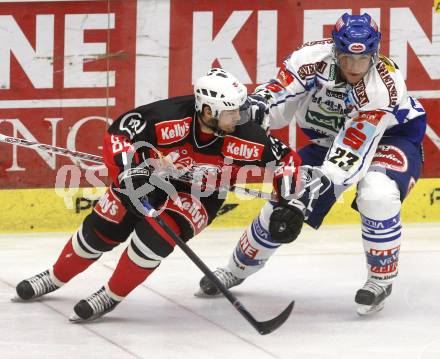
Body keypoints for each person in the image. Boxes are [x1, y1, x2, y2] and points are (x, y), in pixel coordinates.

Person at [13, 68, 308, 322]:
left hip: (202, 194)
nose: (240, 116)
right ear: (208, 111)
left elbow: (287, 160)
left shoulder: (248, 135)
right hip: (152, 176)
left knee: (155, 237)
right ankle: (54, 277)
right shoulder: (168, 117)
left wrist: (289, 203)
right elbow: (119, 134)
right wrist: (128, 170)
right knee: (104, 226)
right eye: (232, 111)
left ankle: (110, 294)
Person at [196, 13, 427, 316]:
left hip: (391, 138)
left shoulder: (383, 86)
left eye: (363, 59)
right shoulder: (310, 59)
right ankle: (235, 269)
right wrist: (254, 110)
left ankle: (380, 279)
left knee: (377, 192)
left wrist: (305, 199)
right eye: (346, 58)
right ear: (335, 50)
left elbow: (350, 155)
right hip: (328, 140)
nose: (354, 68)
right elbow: (277, 95)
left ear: (375, 54)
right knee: (282, 201)